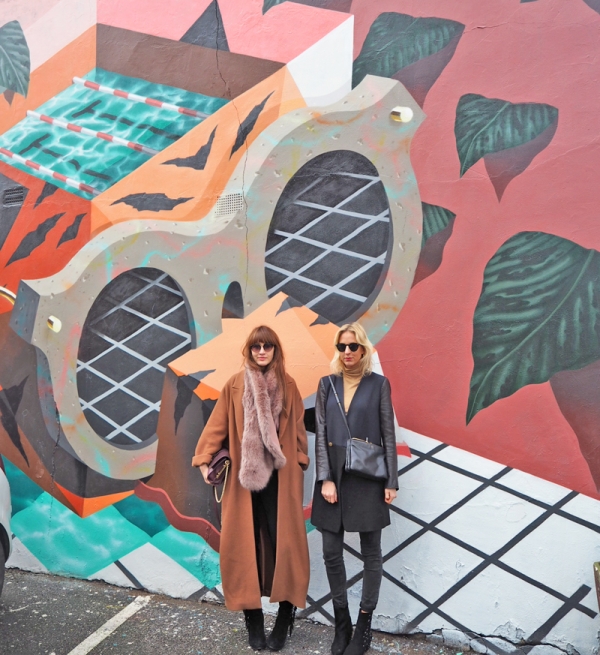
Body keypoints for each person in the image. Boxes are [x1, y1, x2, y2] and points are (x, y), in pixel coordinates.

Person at [192, 325, 310, 651]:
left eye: (267, 347)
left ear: (275, 350)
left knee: (286, 547)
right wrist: (204, 461)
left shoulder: (288, 386)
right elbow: (216, 426)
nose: (261, 352)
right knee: (244, 547)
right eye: (256, 346)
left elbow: (299, 431)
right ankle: (253, 619)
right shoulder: (234, 385)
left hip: (281, 481)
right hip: (244, 482)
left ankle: (286, 615)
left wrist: (300, 461)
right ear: (249, 349)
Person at [311, 322, 398, 655]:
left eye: (352, 346)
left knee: (371, 555)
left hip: (366, 476)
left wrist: (391, 479)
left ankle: (363, 627)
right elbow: (320, 433)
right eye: (341, 347)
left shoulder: (379, 385)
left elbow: (388, 433)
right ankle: (342, 623)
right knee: (331, 552)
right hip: (333, 473)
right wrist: (325, 478)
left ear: (363, 349)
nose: (347, 352)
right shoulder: (326, 385)